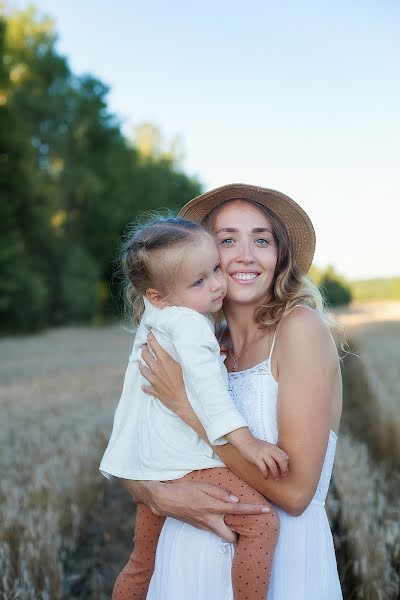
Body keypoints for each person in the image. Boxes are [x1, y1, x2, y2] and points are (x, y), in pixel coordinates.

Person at [114, 184, 343, 600]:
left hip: (283, 570)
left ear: (280, 256)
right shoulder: (198, 344)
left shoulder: (300, 330)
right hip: (183, 564)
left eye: (261, 240)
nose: (245, 255)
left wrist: (188, 409)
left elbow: (293, 495)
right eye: (227, 241)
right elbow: (139, 444)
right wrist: (158, 495)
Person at [101, 215, 289, 600]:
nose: (218, 284)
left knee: (142, 561)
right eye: (200, 281)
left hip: (151, 461)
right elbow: (210, 396)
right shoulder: (189, 324)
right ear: (158, 295)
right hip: (185, 462)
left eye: (215, 269)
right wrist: (248, 444)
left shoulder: (157, 316)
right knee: (262, 525)